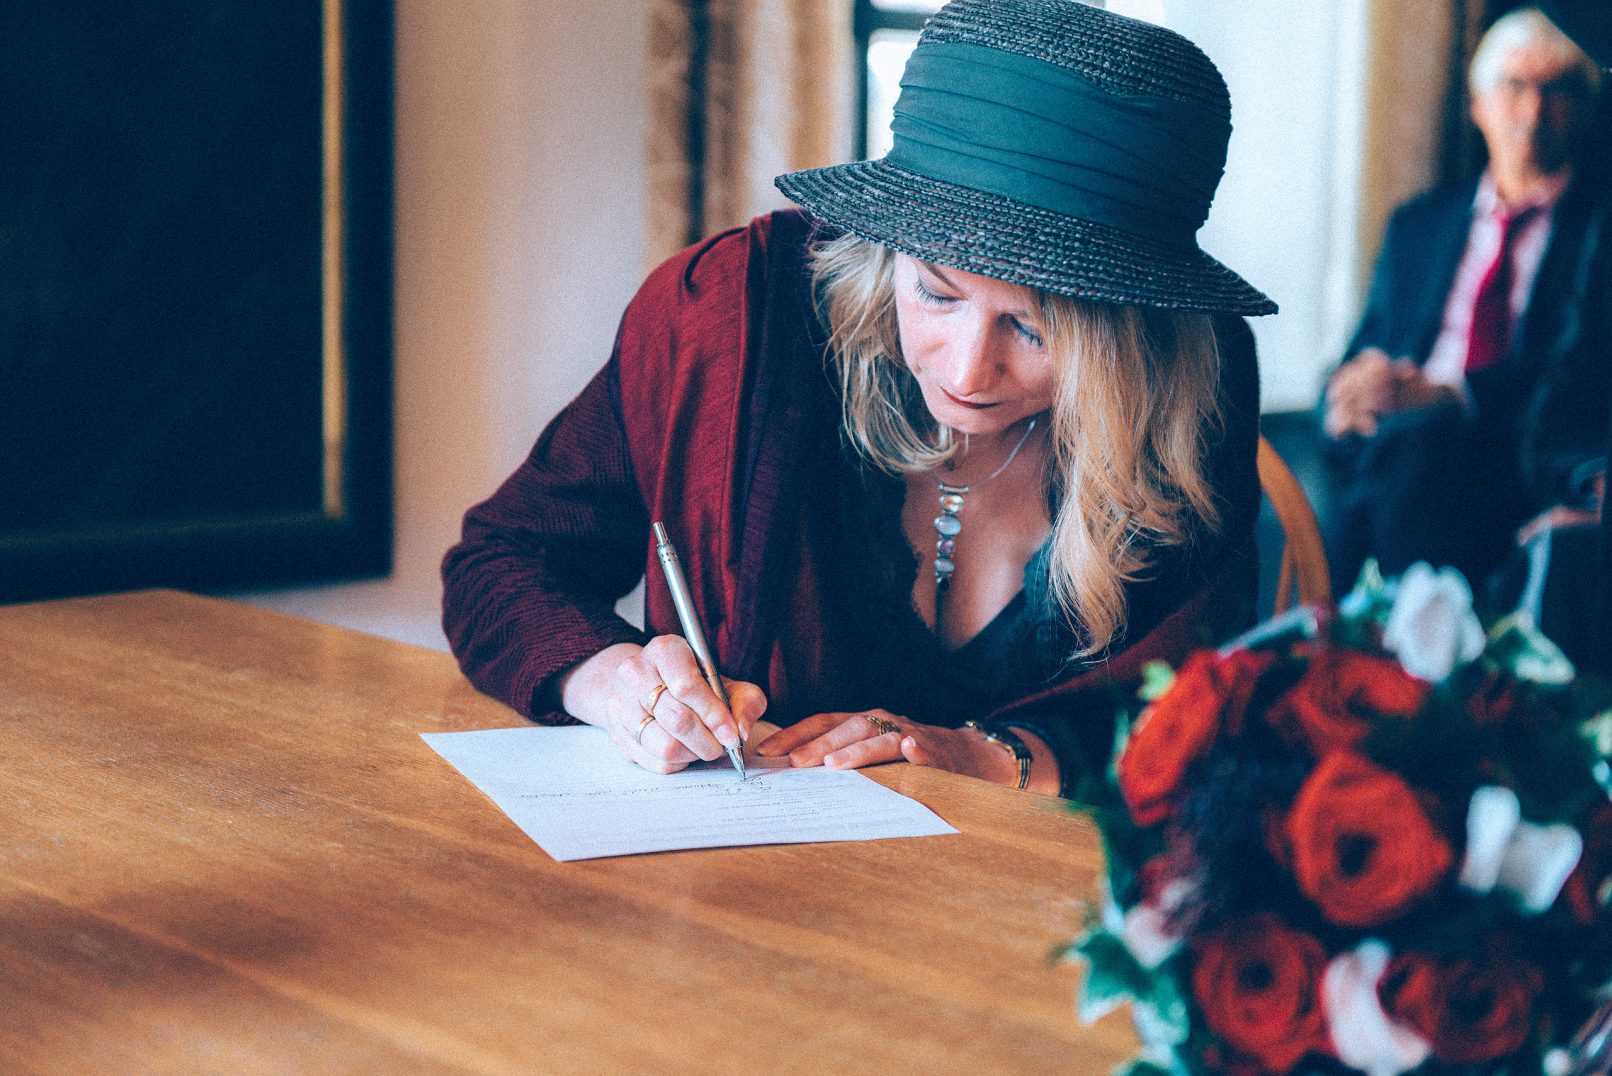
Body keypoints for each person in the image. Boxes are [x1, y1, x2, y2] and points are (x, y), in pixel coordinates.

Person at [440, 0, 1275, 798]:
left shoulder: (1190, 388)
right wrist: (616, 683)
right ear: (889, 248)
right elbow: (499, 566)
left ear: (1132, 341)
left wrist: (1001, 760)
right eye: (937, 294)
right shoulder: (730, 318)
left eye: (1033, 329)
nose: (968, 372)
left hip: (1052, 887)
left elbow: (1202, 709)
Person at [1321, 7, 1609, 593]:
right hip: (1395, 448)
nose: (1534, 110)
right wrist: (1346, 395)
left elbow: (1578, 376)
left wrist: (1450, 394)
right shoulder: (1418, 226)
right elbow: (1367, 347)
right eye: (1515, 85)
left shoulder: (1599, 233)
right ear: (1478, 106)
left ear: (1586, 109)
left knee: (1421, 456)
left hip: (1516, 451)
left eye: (1558, 90)